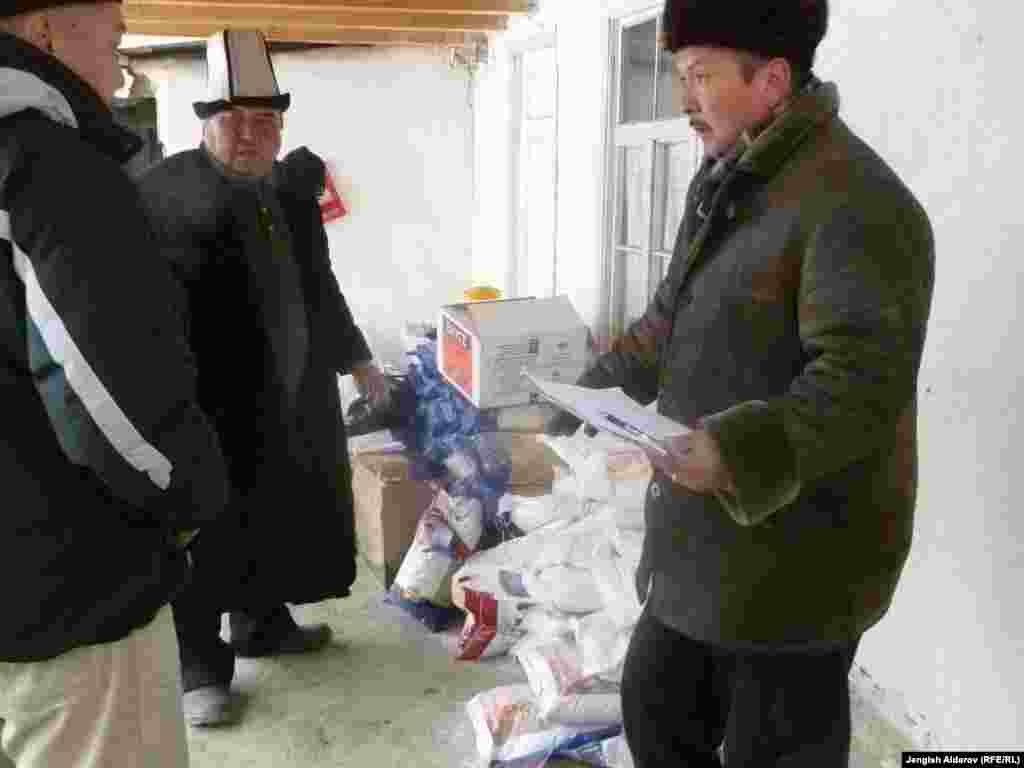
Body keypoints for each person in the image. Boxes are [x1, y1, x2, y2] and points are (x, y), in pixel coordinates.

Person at [549, 1, 935, 765]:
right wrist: (571, 402)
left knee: (775, 747)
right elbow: (668, 318)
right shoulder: (731, 178)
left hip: (802, 558)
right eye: (679, 77)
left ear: (773, 81)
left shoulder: (858, 204)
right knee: (657, 714)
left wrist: (733, 452)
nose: (683, 101)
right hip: (703, 534)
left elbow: (861, 382)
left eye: (699, 76)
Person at [138, 29, 391, 727]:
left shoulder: (291, 193)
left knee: (275, 511)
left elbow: (319, 283)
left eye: (264, 121)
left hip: (288, 393)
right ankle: (198, 665)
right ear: (205, 124)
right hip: (203, 403)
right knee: (203, 532)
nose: (250, 135)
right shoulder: (161, 195)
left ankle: (262, 625)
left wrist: (357, 357)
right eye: (234, 121)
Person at [0, 2, 230, 766]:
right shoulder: (45, 163)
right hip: (70, 591)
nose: (121, 61)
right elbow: (111, 400)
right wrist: (189, 499)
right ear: (43, 30)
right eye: (113, 34)